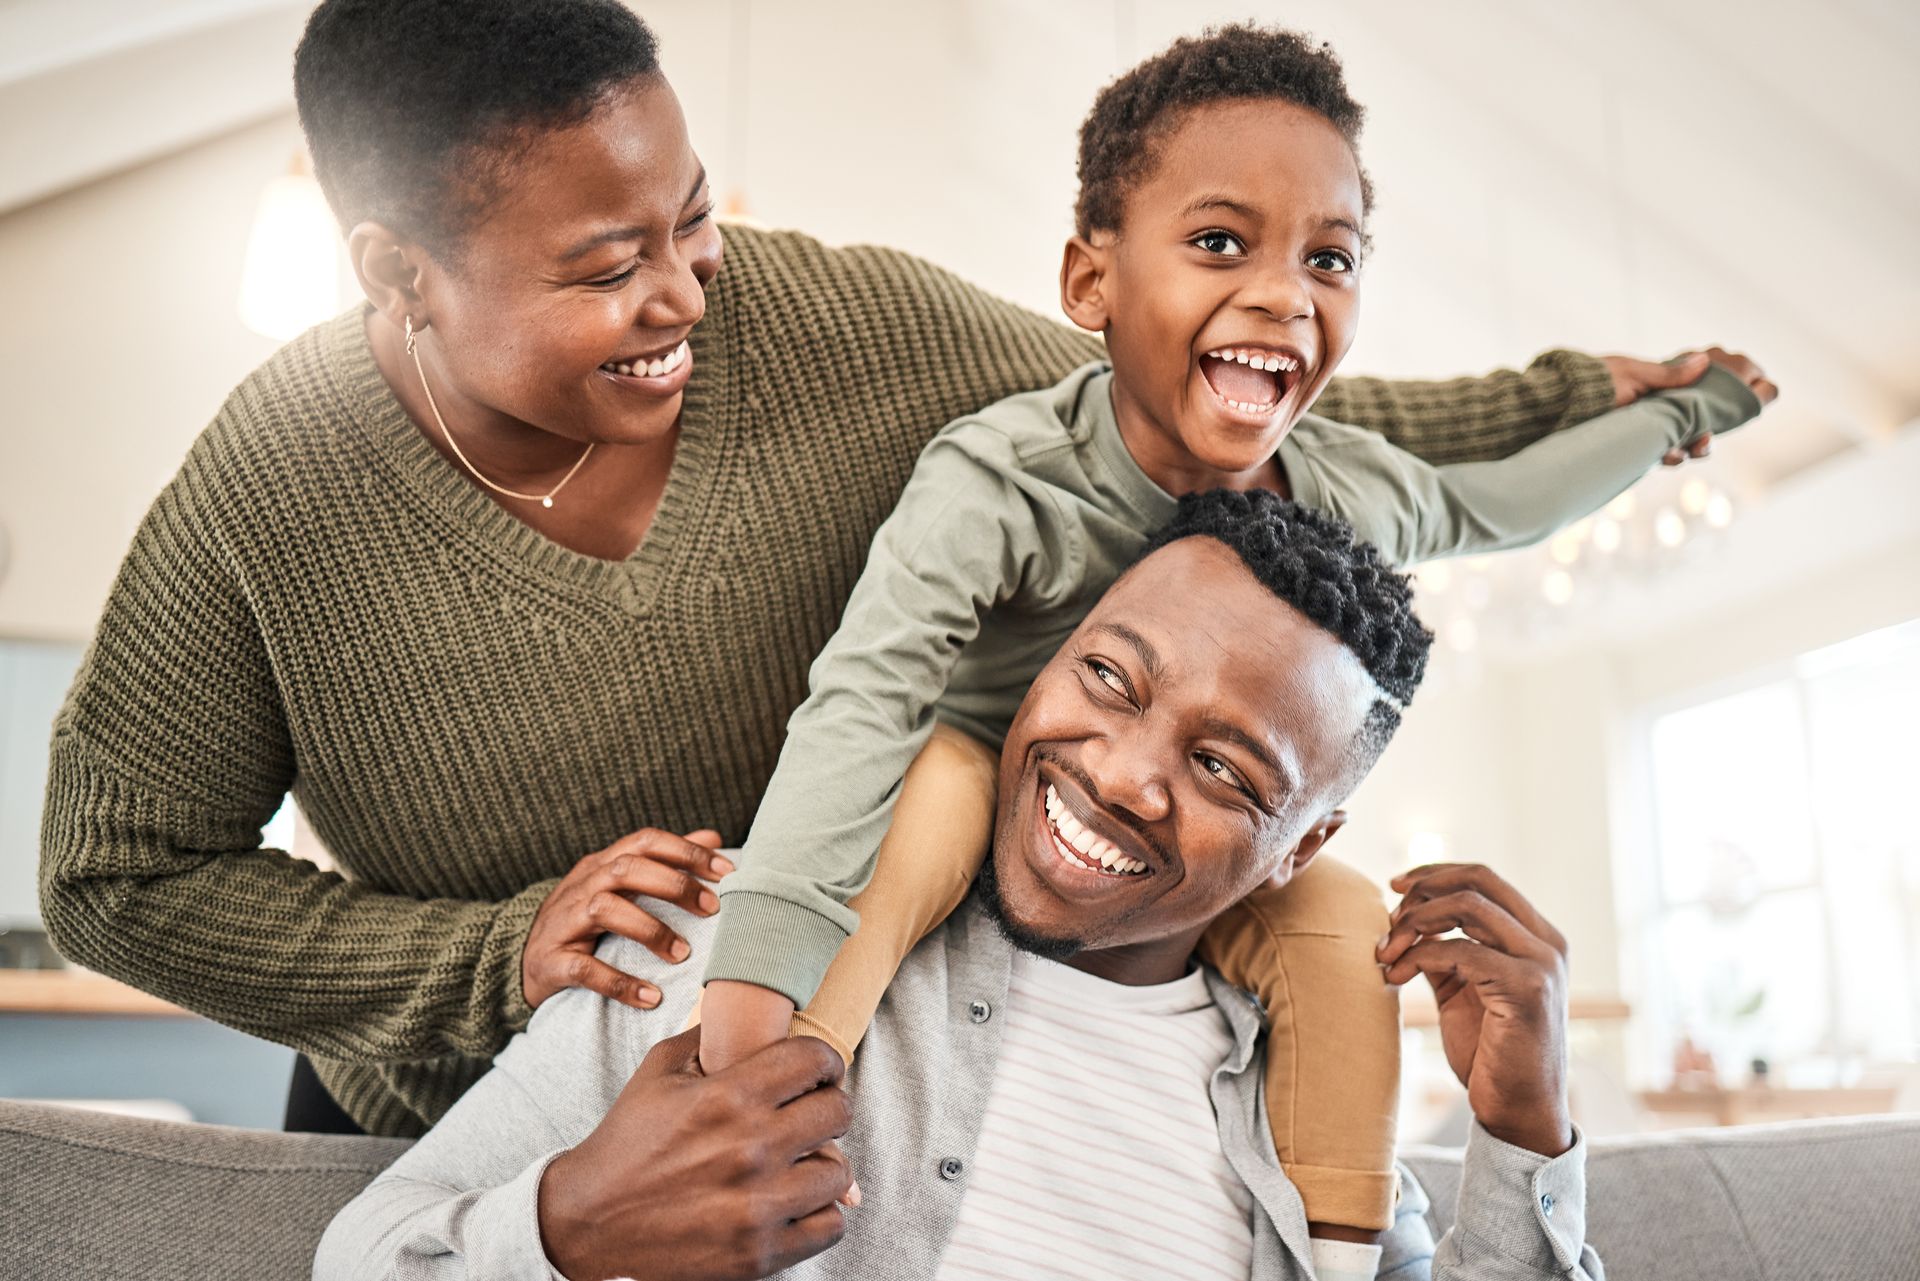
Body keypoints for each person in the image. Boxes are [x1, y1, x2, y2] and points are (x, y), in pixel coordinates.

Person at [40, 0, 1710, 1142]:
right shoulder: (273, 489)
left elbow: (1190, 396)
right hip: (446, 1133)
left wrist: (1582, 399)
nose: (687, 291)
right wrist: (488, 957)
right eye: (608, 266)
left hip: (817, 1115)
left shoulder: (839, 328)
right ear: (396, 274)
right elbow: (115, 870)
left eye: (689, 220)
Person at [693, 21, 1774, 1248]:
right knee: (936, 779)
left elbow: (1502, 501)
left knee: (1341, 922)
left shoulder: (1343, 487)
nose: (1282, 294)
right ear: (1092, 283)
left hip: (1167, 859)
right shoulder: (1003, 479)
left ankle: (1339, 1248)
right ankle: (761, 1096)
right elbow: (864, 698)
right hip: (996, 784)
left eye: (1332, 259)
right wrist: (748, 984)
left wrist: (1684, 413)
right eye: (1220, 243)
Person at [316, 492, 1603, 1281]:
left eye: (1223, 767)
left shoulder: (1308, 1111)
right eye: (1110, 678)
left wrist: (1527, 1126)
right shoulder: (751, 956)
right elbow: (360, 1260)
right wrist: (568, 1228)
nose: (1125, 775)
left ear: (1302, 852)